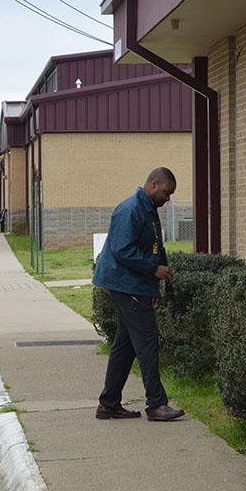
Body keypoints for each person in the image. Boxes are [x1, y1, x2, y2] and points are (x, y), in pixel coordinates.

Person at [92, 167, 185, 422]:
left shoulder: (148, 210)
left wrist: (154, 284)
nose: (168, 199)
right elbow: (123, 250)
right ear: (153, 184)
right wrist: (154, 269)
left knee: (126, 344)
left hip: (134, 285)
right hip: (124, 284)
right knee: (147, 341)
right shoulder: (130, 209)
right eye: (166, 192)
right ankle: (156, 404)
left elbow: (154, 248)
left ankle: (109, 403)